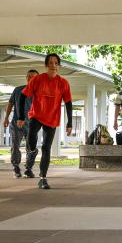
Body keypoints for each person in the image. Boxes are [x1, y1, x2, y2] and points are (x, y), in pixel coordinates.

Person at [17, 54, 73, 190]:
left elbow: (68, 103)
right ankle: (32, 150)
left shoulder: (63, 82)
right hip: (36, 115)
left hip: (52, 119)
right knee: (31, 140)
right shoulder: (37, 79)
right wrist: (21, 117)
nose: (53, 65)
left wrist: (70, 122)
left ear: (58, 65)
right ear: (46, 65)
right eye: (50, 63)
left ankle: (43, 178)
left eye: (55, 63)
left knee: (46, 148)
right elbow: (22, 96)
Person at [3, 69, 39, 178]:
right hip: (16, 124)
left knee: (31, 148)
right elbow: (10, 104)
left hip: (32, 125)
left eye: (33, 77)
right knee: (15, 146)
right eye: (28, 76)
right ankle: (16, 167)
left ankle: (28, 168)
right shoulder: (18, 90)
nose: (30, 78)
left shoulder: (39, 92)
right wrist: (6, 118)